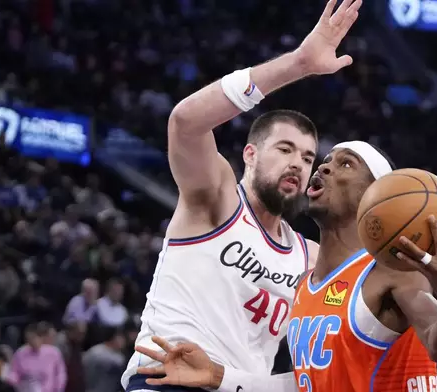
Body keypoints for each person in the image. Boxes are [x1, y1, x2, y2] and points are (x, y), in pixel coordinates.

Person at [133, 142, 437, 392]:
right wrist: (217, 377)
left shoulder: (393, 272)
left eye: (345, 165)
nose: (322, 168)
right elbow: (305, 384)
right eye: (325, 161)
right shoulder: (305, 286)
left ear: (378, 196)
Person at [121, 0, 364, 390]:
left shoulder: (312, 258)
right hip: (167, 380)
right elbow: (184, 123)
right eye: (284, 150)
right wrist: (298, 64)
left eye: (306, 157)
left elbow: (375, 309)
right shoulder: (216, 199)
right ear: (249, 154)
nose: (299, 165)